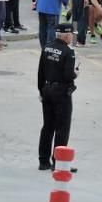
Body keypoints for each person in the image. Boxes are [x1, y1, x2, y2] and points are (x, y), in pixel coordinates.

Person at [37, 22, 77, 171]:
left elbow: (40, 71)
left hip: (47, 89)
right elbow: (68, 75)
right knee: (62, 128)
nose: (72, 37)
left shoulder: (47, 47)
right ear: (67, 35)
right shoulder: (68, 52)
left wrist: (41, 91)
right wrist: (75, 74)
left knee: (48, 126)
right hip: (61, 93)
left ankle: (43, 160)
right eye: (71, 34)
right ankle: (59, 162)